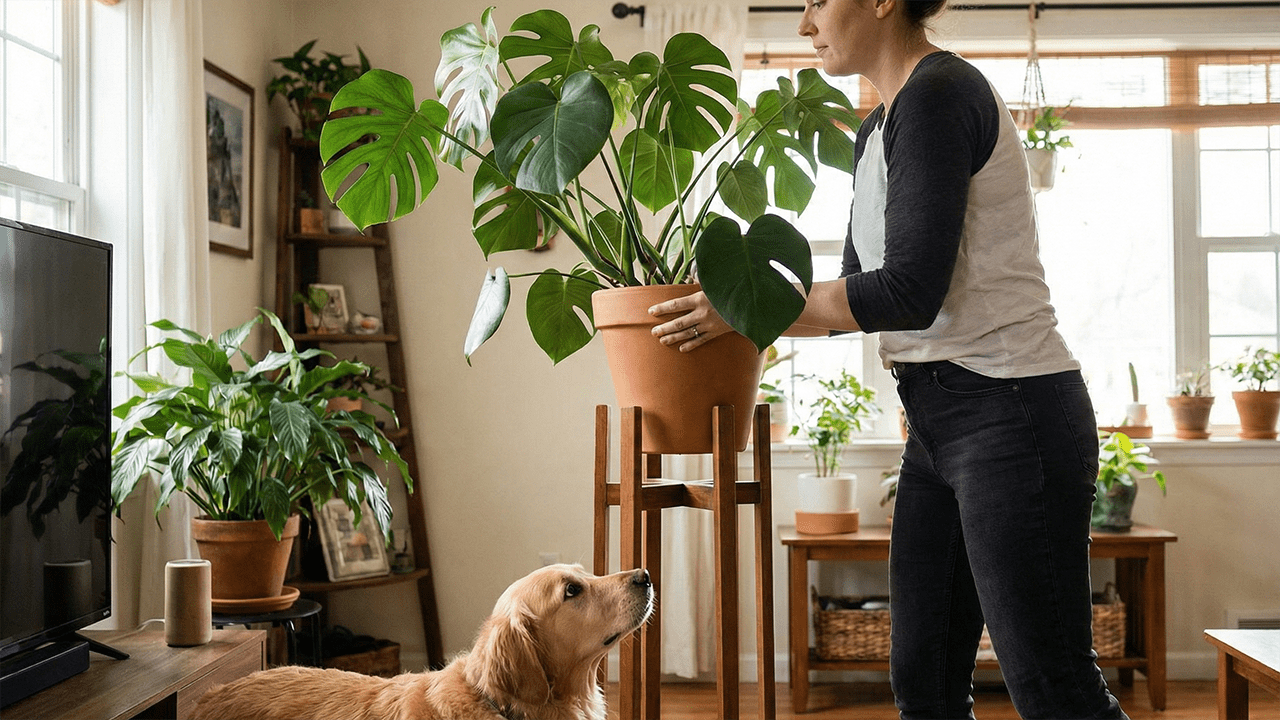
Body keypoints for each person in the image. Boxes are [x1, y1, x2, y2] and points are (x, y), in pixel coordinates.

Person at [648, 0, 1128, 718]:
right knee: (924, 684)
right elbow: (855, 295)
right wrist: (729, 320)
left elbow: (908, 292)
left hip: (1010, 414)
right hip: (936, 425)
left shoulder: (940, 94)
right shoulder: (876, 128)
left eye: (816, 1)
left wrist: (744, 307)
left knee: (1052, 685)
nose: (804, 23)